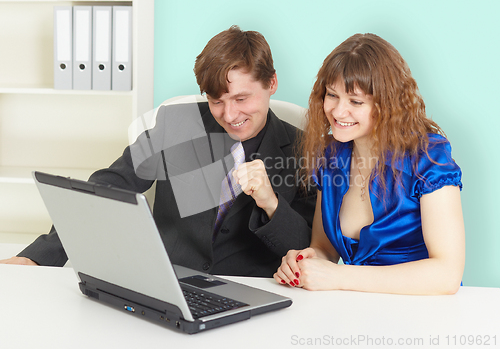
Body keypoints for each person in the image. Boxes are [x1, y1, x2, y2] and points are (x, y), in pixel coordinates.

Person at [0, 26, 316, 277]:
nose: (230, 114)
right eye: (216, 100)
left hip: (257, 297)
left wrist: (270, 202)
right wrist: (36, 258)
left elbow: (306, 247)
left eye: (241, 99)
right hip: (170, 286)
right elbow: (106, 188)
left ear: (271, 83)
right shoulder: (178, 125)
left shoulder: (307, 150)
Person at [273, 33, 465, 294]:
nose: (338, 112)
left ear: (386, 104)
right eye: (332, 95)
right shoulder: (330, 156)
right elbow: (325, 249)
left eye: (355, 101)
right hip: (357, 312)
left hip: (424, 316)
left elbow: (447, 275)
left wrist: (340, 277)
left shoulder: (428, 157)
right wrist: (302, 262)